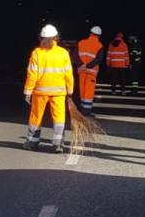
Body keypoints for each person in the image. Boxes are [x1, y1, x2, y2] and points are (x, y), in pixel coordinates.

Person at [23, 24, 74, 152]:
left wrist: (28, 91)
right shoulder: (63, 53)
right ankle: (58, 144)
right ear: (56, 38)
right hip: (59, 91)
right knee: (59, 117)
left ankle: (32, 142)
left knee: (36, 116)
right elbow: (68, 74)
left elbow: (32, 74)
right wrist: (70, 90)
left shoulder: (37, 53)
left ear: (41, 38)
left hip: (40, 91)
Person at [75, 25, 104, 114]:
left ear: (90, 33)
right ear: (99, 36)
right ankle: (86, 111)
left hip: (82, 71)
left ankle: (81, 109)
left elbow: (75, 56)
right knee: (89, 92)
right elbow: (99, 59)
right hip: (91, 72)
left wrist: (82, 65)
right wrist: (88, 65)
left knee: (82, 90)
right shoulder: (99, 45)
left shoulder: (81, 43)